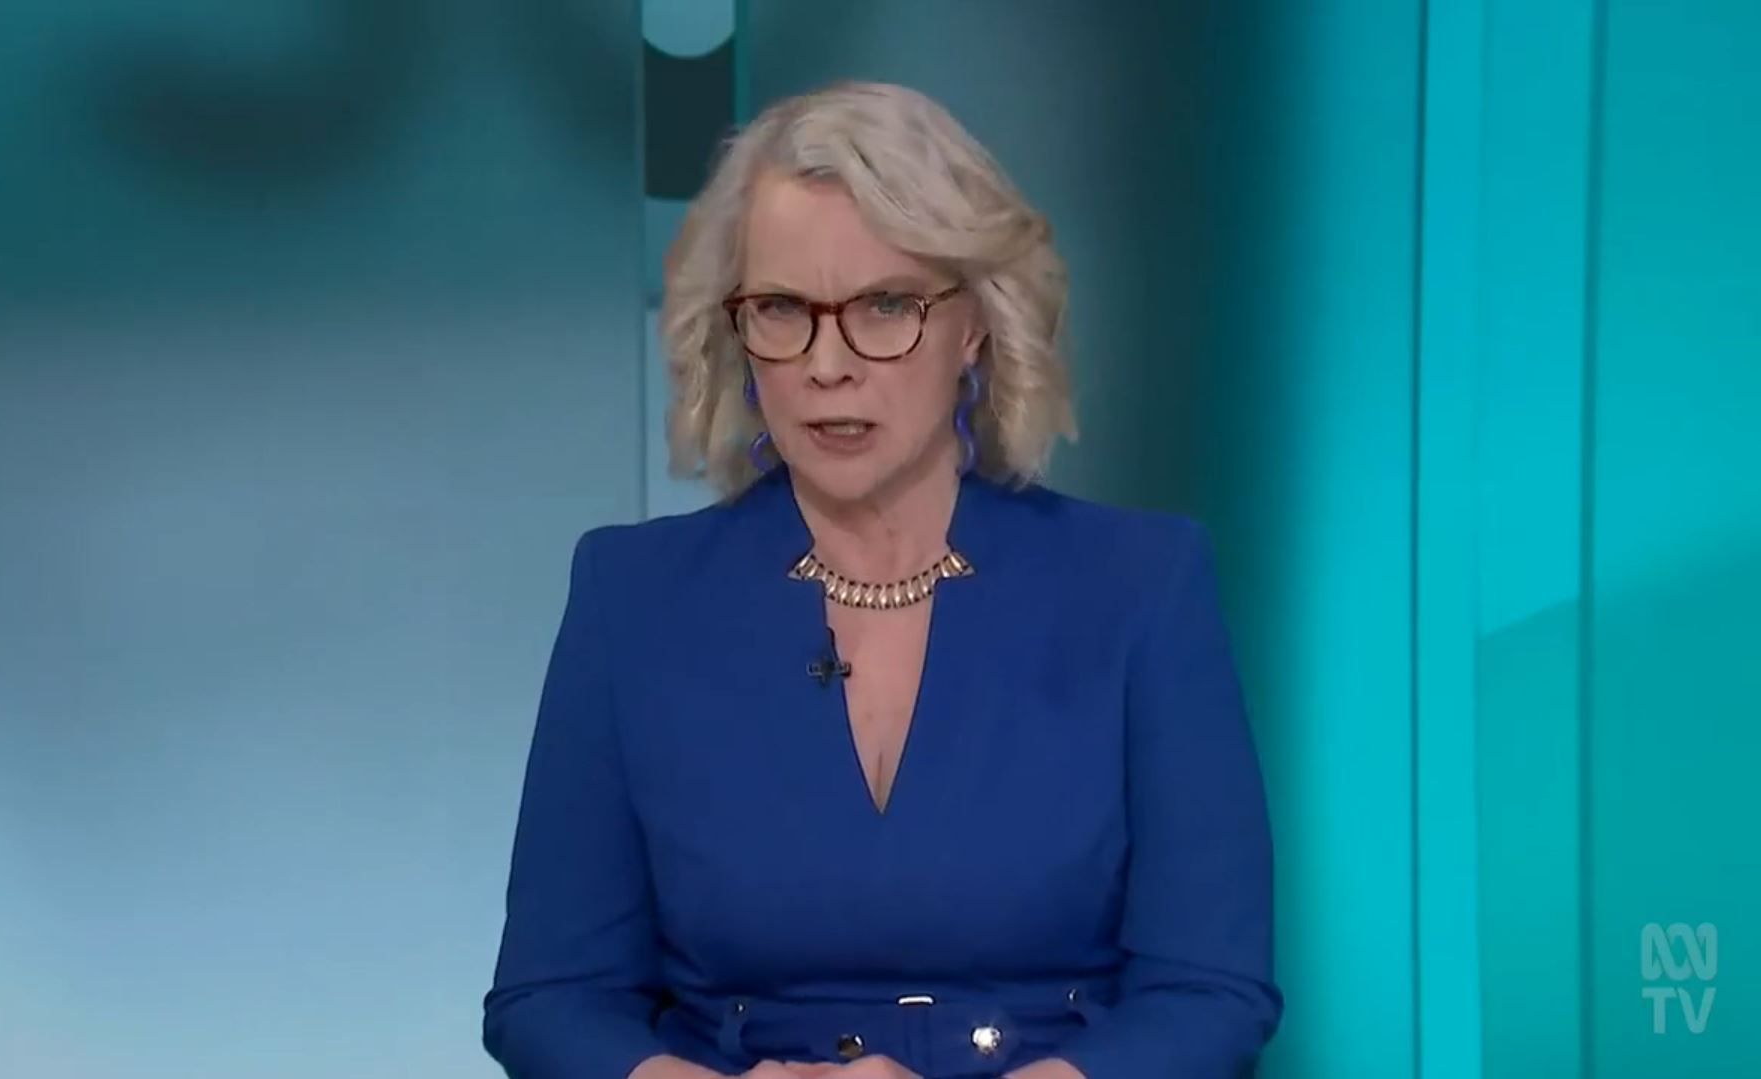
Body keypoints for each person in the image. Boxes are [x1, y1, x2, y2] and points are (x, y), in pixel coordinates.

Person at [482, 80, 1281, 1079]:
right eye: (782, 309)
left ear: (974, 324)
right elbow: (552, 997)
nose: (828, 364)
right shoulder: (632, 596)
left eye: (885, 306)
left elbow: (1209, 990)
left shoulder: (1140, 587)